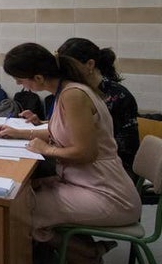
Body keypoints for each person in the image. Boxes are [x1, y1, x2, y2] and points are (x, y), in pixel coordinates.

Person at [0, 42, 141, 264]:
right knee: (31, 191)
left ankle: (89, 254)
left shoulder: (73, 95)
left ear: (38, 78)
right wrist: (26, 134)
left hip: (106, 192)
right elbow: (60, 132)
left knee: (19, 212)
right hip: (87, 182)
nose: (20, 86)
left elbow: (85, 153)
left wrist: (45, 149)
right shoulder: (66, 92)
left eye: (21, 80)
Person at [54, 38, 140, 179]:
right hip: (93, 160)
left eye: (69, 68)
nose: (65, 74)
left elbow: (112, 146)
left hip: (113, 168)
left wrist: (52, 149)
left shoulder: (117, 96)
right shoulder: (77, 90)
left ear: (90, 64)